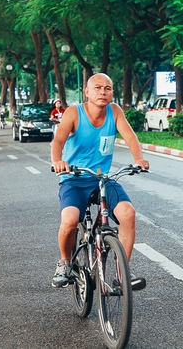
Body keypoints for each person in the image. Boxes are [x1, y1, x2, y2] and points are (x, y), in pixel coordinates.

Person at [51, 73, 149, 290]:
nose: (103, 92)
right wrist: (58, 161)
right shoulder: (74, 113)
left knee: (127, 213)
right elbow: (58, 140)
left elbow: (130, 136)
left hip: (103, 179)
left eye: (108, 88)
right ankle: (65, 263)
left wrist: (138, 159)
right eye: (97, 88)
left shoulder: (114, 111)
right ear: (87, 92)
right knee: (69, 220)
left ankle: (122, 275)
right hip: (74, 178)